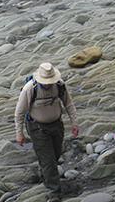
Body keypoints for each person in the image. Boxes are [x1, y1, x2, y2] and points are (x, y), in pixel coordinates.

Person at [14, 62, 77, 194]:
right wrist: (19, 134)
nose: (48, 84)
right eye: (45, 81)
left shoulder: (59, 85)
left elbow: (68, 103)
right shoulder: (30, 89)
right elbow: (19, 113)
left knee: (56, 154)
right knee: (48, 160)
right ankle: (54, 191)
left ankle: (45, 174)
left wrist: (74, 122)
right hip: (37, 127)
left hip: (56, 124)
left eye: (50, 81)